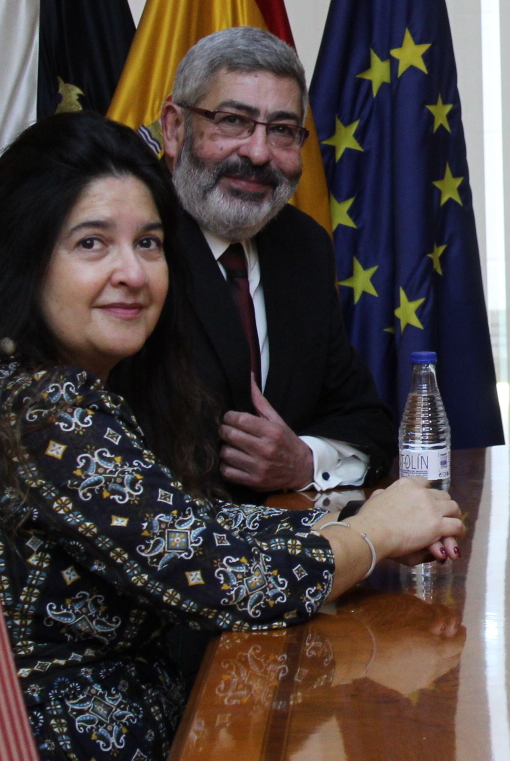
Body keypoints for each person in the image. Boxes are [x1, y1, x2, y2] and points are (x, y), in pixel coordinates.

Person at [0, 112, 462, 761]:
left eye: (149, 243)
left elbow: (186, 527)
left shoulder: (59, 387)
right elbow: (217, 575)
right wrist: (370, 535)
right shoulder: (45, 408)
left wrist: (341, 530)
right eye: (90, 243)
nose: (132, 273)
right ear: (24, 259)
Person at [158, 27, 393, 495]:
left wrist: (305, 460)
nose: (259, 153)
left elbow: (367, 421)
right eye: (232, 121)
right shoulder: (135, 245)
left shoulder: (302, 247)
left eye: (283, 131)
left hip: (292, 543)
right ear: (174, 127)